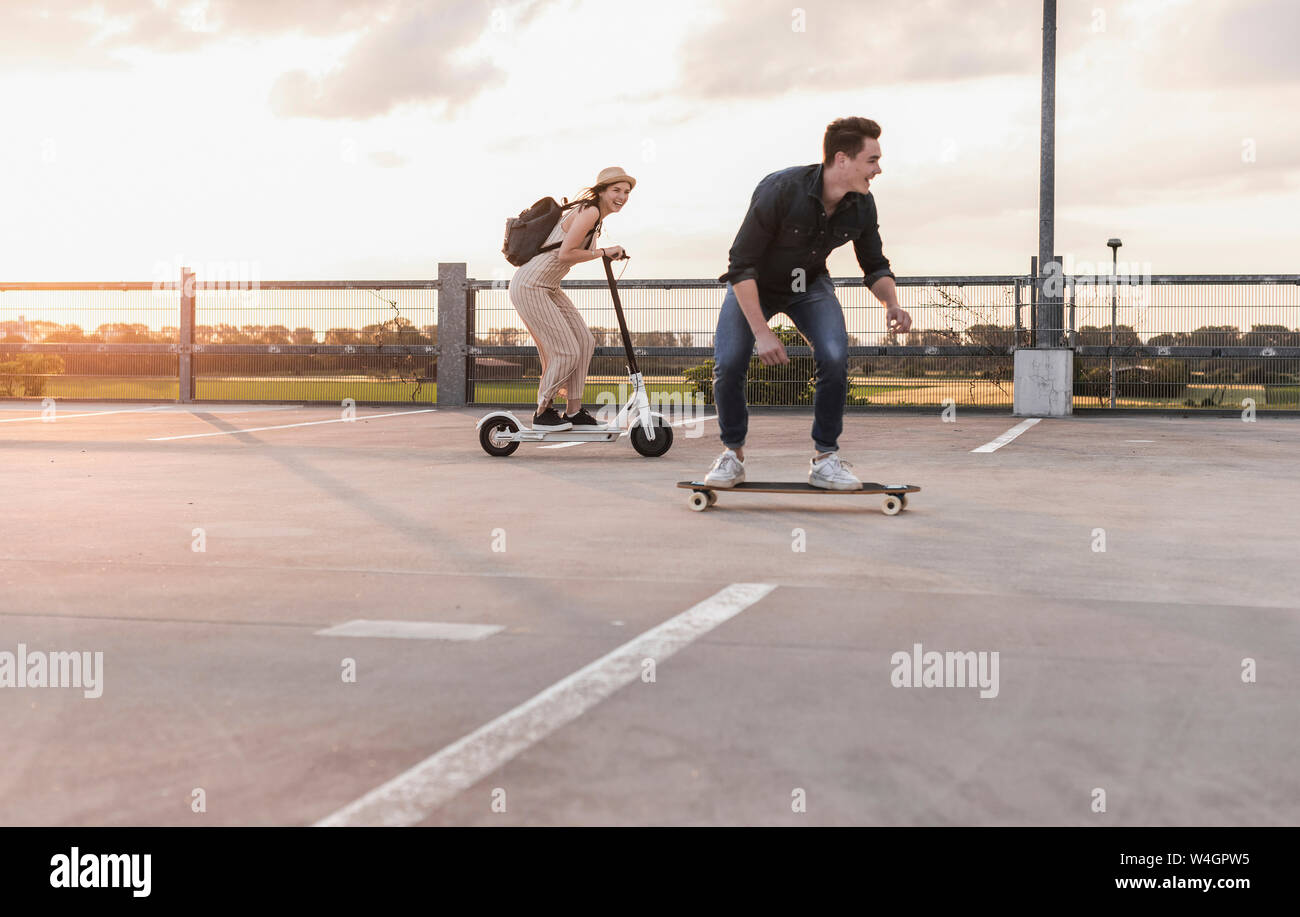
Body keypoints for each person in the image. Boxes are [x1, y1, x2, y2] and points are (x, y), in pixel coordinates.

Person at [703, 117, 913, 489]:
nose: (878, 169)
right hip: (755, 286)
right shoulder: (781, 190)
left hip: (809, 285)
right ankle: (732, 456)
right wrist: (762, 332)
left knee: (834, 354)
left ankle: (826, 459)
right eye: (872, 160)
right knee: (730, 361)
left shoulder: (862, 206)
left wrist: (891, 303)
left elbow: (875, 265)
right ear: (842, 159)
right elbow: (740, 265)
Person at [508, 166, 633, 431]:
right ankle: (543, 412)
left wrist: (604, 251)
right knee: (566, 351)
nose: (622, 196)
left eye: (626, 191)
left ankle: (574, 412)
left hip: (548, 285)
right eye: (616, 190)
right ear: (601, 191)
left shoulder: (596, 216)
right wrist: (603, 251)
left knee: (585, 342)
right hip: (531, 285)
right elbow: (566, 254)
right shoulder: (590, 211)